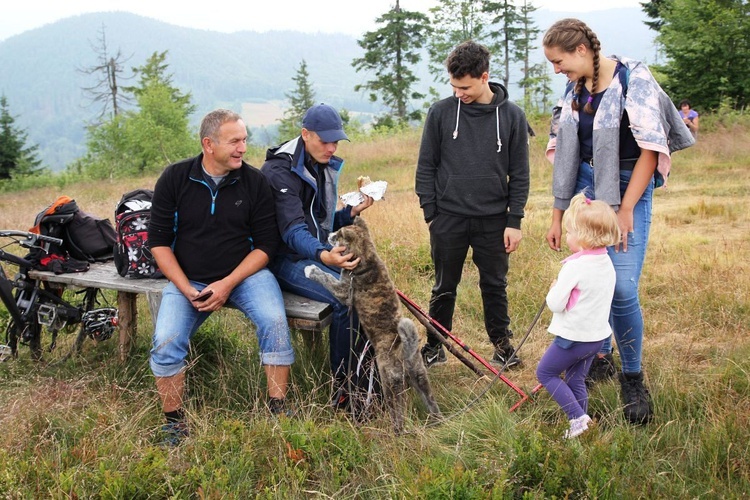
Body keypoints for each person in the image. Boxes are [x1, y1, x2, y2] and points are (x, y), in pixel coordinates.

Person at [543, 18, 693, 424]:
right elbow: (565, 149)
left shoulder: (633, 80)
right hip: (587, 186)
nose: (557, 70)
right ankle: (598, 356)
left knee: (622, 287)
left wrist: (626, 208)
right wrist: (559, 215)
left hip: (629, 184)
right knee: (593, 277)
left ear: (581, 51)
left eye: (559, 62)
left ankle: (632, 376)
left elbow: (650, 146)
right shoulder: (575, 87)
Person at [148, 109, 294, 445]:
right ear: (208, 144)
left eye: (245, 139)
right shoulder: (175, 178)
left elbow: (266, 245)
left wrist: (227, 284)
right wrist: (187, 290)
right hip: (190, 279)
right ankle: (174, 424)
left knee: (274, 322)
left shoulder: (254, 181)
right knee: (166, 341)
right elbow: (158, 242)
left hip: (246, 275)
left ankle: (278, 410)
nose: (243, 148)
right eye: (235, 141)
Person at [415, 40, 530, 369]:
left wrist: (515, 220)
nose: (459, 93)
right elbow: (426, 166)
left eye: (464, 87)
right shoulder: (440, 112)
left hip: (494, 219)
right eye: (453, 86)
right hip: (448, 218)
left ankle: (502, 346)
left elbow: (520, 174)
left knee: (494, 284)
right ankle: (435, 344)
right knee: (443, 285)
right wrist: (431, 214)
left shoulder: (511, 116)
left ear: (484, 77)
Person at [261, 103, 373, 409]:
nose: (331, 147)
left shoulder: (318, 163)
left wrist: (349, 213)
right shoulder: (279, 171)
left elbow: (318, 223)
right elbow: (293, 231)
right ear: (305, 134)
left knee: (368, 286)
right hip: (283, 259)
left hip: (309, 252)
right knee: (345, 297)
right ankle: (344, 390)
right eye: (324, 140)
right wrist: (324, 255)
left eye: (336, 141)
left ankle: (367, 376)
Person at [537, 193, 620, 439]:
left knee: (545, 373)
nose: (568, 237)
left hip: (572, 338)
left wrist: (553, 289)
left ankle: (578, 418)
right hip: (595, 338)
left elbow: (555, 303)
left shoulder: (574, 267)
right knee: (576, 379)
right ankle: (582, 431)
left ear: (584, 237)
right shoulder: (606, 262)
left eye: (571, 232)